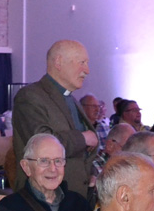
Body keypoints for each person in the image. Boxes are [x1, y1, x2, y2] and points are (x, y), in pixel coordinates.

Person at [11, 40, 98, 197]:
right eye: (82, 62)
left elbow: (81, 154)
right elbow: (41, 143)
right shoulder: (30, 96)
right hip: (45, 198)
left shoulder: (70, 99)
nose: (87, 70)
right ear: (58, 62)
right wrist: (83, 138)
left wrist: (91, 173)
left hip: (75, 196)